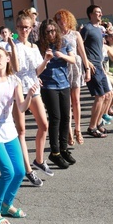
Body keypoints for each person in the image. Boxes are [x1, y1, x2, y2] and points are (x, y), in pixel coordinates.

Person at [0, 46, 37, 224]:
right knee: (7, 172)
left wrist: (30, 95)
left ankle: (6, 205)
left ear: (7, 58)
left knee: (19, 172)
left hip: (9, 129)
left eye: (0, 56)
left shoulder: (14, 80)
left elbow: (21, 107)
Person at [12, 12, 50, 186]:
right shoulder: (13, 45)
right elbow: (16, 68)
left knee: (44, 124)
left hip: (33, 87)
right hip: (17, 89)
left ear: (31, 27)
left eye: (27, 27)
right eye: (21, 27)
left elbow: (36, 71)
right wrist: (12, 47)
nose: (24, 30)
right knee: (21, 131)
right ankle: (28, 169)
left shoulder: (34, 47)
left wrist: (46, 61)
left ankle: (39, 159)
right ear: (16, 27)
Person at [37, 19, 76, 165]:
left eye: (53, 31)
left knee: (66, 117)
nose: (51, 34)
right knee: (55, 118)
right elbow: (35, 66)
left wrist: (61, 55)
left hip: (64, 83)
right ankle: (55, 152)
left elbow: (73, 59)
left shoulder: (63, 42)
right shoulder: (39, 46)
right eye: (48, 31)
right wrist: (45, 60)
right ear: (43, 33)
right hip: (49, 86)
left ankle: (64, 148)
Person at [53, 9, 91, 147]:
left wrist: (87, 69)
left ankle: (78, 129)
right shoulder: (56, 35)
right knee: (66, 102)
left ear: (68, 19)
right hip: (62, 68)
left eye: (61, 19)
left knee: (76, 100)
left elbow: (82, 52)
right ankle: (68, 130)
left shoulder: (75, 34)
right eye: (57, 19)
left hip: (75, 67)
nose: (60, 22)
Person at [80, 6, 113, 138]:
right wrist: (87, 63)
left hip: (100, 65)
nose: (100, 14)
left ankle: (98, 123)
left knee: (108, 94)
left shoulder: (99, 29)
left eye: (100, 12)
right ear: (90, 14)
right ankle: (92, 127)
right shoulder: (87, 29)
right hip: (92, 66)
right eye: (97, 12)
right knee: (100, 96)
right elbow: (79, 46)